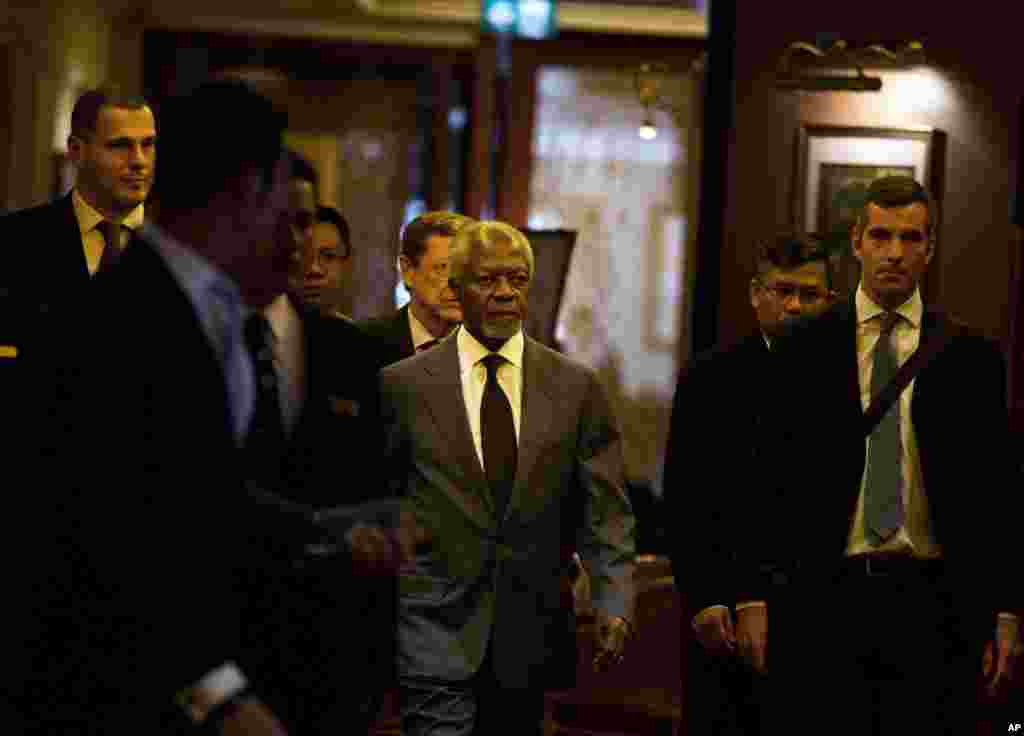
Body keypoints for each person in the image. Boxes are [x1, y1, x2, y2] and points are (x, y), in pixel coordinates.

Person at [760, 176, 1021, 734]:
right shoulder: (802, 347)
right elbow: (769, 481)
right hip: (826, 595)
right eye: (881, 235)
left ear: (930, 248)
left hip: (934, 600)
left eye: (910, 238)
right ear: (856, 242)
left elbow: (997, 494)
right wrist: (754, 593)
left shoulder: (971, 359)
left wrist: (1004, 610)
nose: (894, 253)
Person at [379, 220, 636, 736]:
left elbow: (605, 508)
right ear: (456, 286)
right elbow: (382, 499)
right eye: (487, 280)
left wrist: (613, 599)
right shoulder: (404, 385)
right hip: (433, 630)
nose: (503, 294)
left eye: (516, 280)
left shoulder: (575, 387)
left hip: (532, 634)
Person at [663, 233, 835, 735]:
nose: (795, 305)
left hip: (819, 610)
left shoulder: (849, 379)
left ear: (829, 301)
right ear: (756, 293)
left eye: (809, 294)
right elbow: (686, 497)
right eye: (783, 291)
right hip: (724, 602)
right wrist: (706, 594)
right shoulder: (710, 377)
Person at [359, 210, 473, 365]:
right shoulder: (363, 343)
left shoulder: (488, 346)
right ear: (408, 271)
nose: (457, 283)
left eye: (466, 270)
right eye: (443, 268)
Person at [300, 205, 354, 319]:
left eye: (328, 257)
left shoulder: (358, 336)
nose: (314, 269)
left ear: (346, 265)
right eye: (304, 255)